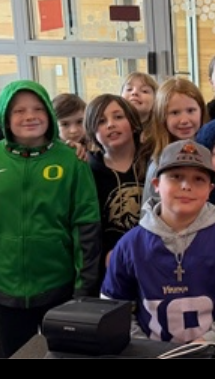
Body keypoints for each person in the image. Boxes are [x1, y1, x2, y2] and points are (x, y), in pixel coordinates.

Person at [0, 80, 101, 358]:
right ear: (5, 118)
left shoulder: (72, 160)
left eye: (37, 108)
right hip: (4, 282)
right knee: (14, 353)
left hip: (58, 283)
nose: (29, 116)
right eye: (18, 111)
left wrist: (85, 286)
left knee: (63, 353)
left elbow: (86, 224)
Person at [101, 140, 215, 343]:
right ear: (156, 185)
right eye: (176, 177)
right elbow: (114, 308)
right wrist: (142, 348)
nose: (186, 186)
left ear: (210, 189)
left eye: (198, 179)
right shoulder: (130, 246)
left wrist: (209, 341)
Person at [85, 94, 150, 287]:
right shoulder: (88, 170)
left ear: (133, 122)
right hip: (109, 266)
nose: (111, 124)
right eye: (101, 121)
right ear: (92, 131)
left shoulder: (153, 161)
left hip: (153, 258)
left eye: (118, 117)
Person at [142, 77, 208, 204]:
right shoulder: (158, 164)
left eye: (190, 111)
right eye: (175, 113)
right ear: (162, 117)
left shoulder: (210, 155)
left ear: (201, 111)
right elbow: (148, 213)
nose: (184, 120)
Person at [121, 72, 159, 144]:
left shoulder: (161, 133)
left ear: (156, 100)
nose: (134, 92)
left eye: (144, 91)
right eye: (129, 89)